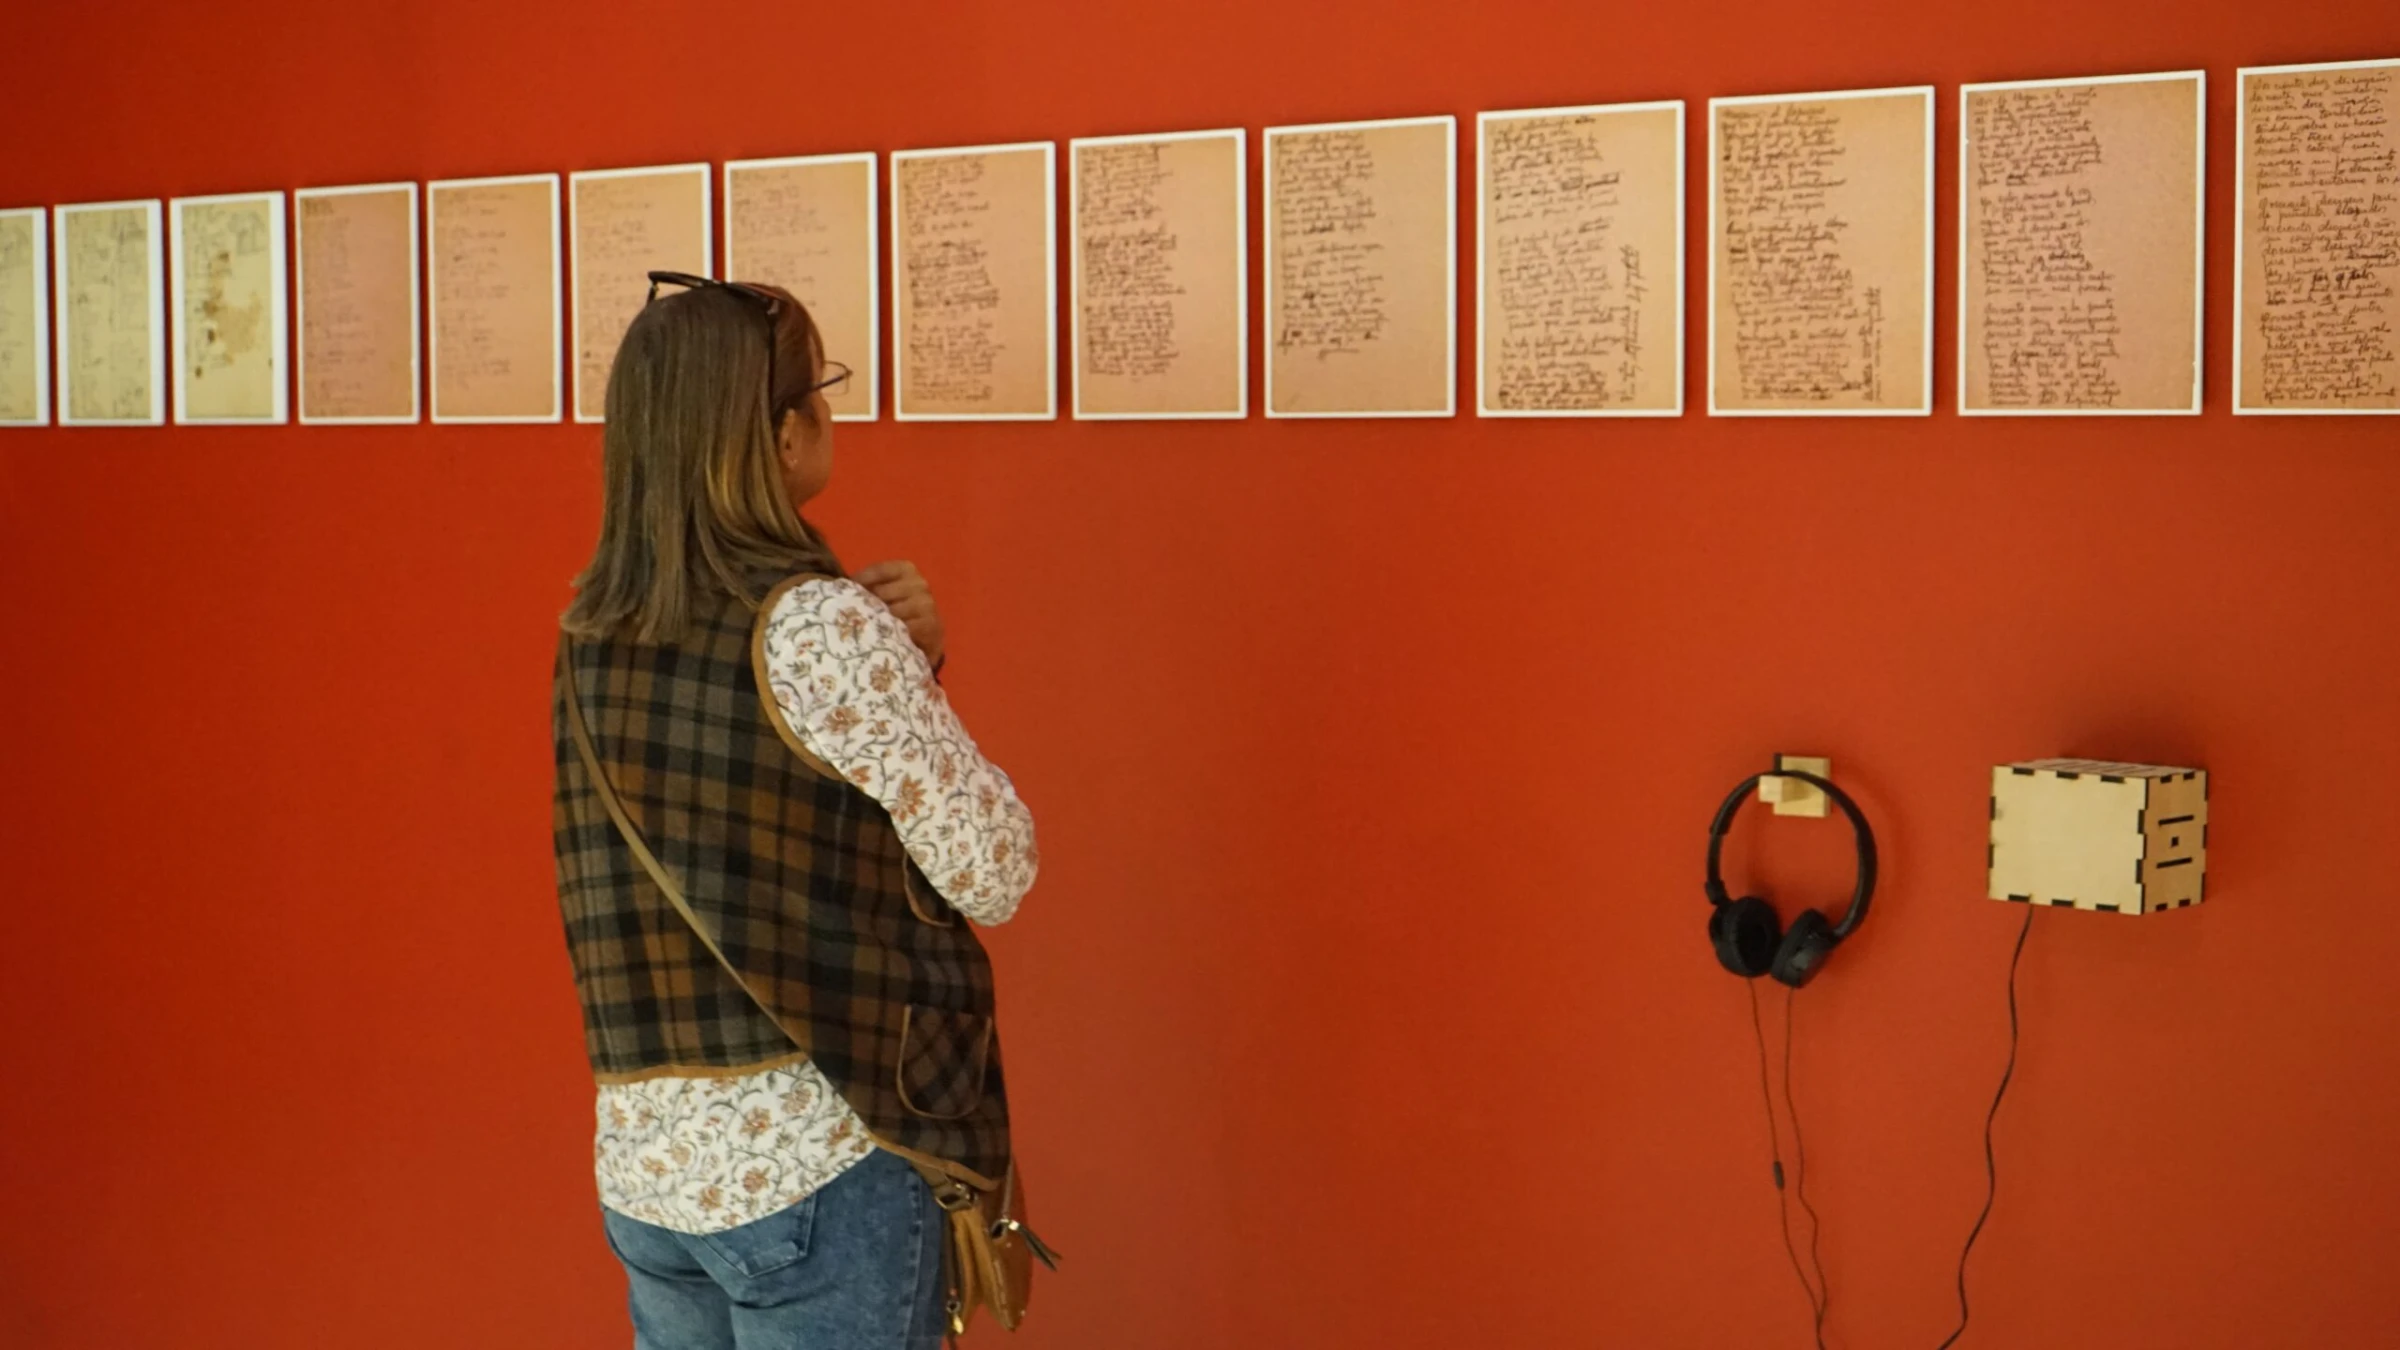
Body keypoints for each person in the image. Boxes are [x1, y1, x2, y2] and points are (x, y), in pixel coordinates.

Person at [551, 272, 1036, 1350]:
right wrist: (907, 671)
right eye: (817, 391)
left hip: (648, 1168)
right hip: (821, 1153)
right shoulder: (821, 628)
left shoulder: (591, 629)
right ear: (776, 437)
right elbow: (993, 867)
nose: (828, 414)